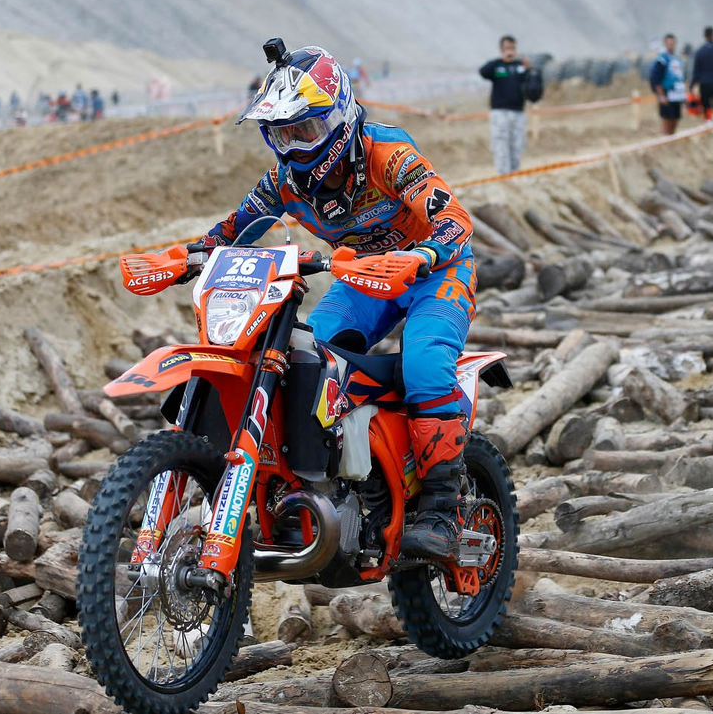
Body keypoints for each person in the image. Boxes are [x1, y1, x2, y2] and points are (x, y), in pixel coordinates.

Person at [199, 42, 477, 560]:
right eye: (282, 133)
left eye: (305, 129)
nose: (295, 145)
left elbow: (455, 219)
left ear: (340, 116)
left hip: (435, 272)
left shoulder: (386, 153)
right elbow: (234, 228)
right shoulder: (283, 181)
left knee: (423, 361)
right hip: (365, 278)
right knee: (306, 358)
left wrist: (423, 254)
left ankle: (442, 509)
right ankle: (351, 486)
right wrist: (190, 254)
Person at [479, 35, 530, 174]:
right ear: (502, 49)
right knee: (501, 143)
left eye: (513, 48)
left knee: (517, 143)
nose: (510, 51)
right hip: (500, 111)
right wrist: (501, 60)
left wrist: (528, 68)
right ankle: (503, 174)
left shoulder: (520, 66)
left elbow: (531, 84)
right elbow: (483, 72)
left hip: (518, 111)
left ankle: (515, 171)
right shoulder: (496, 65)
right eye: (507, 48)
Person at [648, 33, 687, 135]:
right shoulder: (662, 60)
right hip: (667, 94)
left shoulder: (676, 59)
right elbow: (655, 78)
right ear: (665, 44)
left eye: (673, 43)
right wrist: (661, 95)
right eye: (669, 43)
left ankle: (671, 140)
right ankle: (665, 141)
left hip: (677, 95)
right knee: (666, 121)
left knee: (675, 120)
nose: (671, 45)